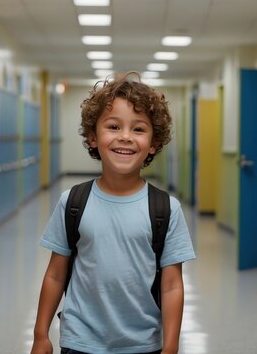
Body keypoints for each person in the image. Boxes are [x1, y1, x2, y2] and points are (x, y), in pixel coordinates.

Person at [31, 72, 196, 354]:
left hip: (143, 343)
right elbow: (56, 274)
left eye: (139, 129)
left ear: (154, 143)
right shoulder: (73, 202)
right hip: (80, 341)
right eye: (113, 126)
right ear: (93, 137)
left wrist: (170, 347)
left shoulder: (166, 209)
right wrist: (40, 335)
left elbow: (171, 286)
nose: (125, 137)